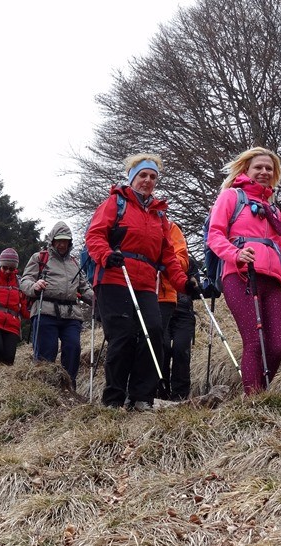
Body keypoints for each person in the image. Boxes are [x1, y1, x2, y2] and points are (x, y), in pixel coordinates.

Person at [85, 153, 198, 410]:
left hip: (147, 282)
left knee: (154, 333)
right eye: (143, 175)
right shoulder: (116, 203)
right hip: (114, 277)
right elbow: (94, 235)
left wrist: (183, 284)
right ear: (132, 178)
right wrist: (105, 255)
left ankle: (141, 397)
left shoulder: (159, 216)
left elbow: (168, 256)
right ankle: (113, 399)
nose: (148, 180)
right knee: (123, 336)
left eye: (153, 177)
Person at [206, 147, 281, 395]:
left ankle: (261, 395)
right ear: (246, 170)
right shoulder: (231, 197)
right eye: (258, 167)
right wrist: (236, 254)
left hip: (272, 282)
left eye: (269, 168)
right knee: (254, 342)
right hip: (240, 277)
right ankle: (254, 400)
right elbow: (214, 236)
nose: (264, 172)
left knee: (277, 346)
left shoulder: (274, 212)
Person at [20, 224, 93, 387]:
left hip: (71, 314)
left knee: (73, 348)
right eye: (58, 241)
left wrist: (99, 301)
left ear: (69, 242)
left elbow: (85, 287)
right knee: (47, 351)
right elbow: (25, 281)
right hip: (45, 310)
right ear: (52, 241)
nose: (61, 244)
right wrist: (34, 286)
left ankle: (69, 386)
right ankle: (44, 387)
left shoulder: (74, 262)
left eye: (65, 241)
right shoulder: (39, 258)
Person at [156, 221, 195, 401]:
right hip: (161, 303)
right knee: (161, 347)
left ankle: (180, 395)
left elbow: (186, 269)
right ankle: (160, 391)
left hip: (183, 310)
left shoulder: (189, 262)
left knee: (181, 349)